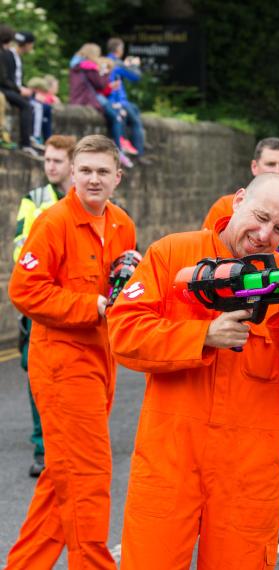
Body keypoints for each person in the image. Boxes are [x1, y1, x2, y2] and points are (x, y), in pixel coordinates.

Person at [107, 173, 279, 569]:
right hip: (170, 461)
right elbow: (124, 332)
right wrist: (202, 335)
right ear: (239, 199)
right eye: (260, 216)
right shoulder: (171, 254)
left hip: (247, 474)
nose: (264, 234)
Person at [6, 134, 136, 569]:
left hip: (103, 361)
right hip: (62, 364)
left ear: (117, 177)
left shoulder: (123, 225)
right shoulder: (54, 222)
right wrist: (91, 305)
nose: (93, 180)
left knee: (61, 478)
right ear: (72, 176)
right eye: (86, 171)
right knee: (87, 476)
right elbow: (24, 290)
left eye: (103, 172)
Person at [13, 134, 76, 477]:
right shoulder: (34, 199)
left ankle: (70, 437)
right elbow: (20, 247)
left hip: (77, 301)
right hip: (43, 296)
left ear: (71, 165)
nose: (50, 166)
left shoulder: (92, 200)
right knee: (34, 367)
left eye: (56, 161)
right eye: (47, 160)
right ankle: (43, 444)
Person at [202, 137, 279, 259]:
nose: (277, 171)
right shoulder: (224, 206)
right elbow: (205, 251)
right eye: (271, 164)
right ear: (254, 167)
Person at [69, 43, 133, 169]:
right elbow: (100, 84)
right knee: (115, 117)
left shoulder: (76, 65)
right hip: (87, 98)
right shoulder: (89, 66)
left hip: (79, 98)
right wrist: (105, 74)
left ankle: (120, 145)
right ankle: (118, 149)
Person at [0, 25, 37, 156]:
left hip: (11, 88)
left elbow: (16, 78)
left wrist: (24, 88)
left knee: (35, 104)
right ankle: (25, 143)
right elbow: (4, 80)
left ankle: (32, 137)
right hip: (5, 89)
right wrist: (19, 90)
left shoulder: (14, 56)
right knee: (26, 105)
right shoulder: (5, 54)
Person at [107, 37, 145, 157]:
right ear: (119, 49)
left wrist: (126, 64)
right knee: (136, 122)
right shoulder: (116, 63)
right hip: (117, 101)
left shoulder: (106, 60)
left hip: (111, 99)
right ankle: (139, 152)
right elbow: (136, 77)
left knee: (135, 109)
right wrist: (134, 65)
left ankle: (136, 142)